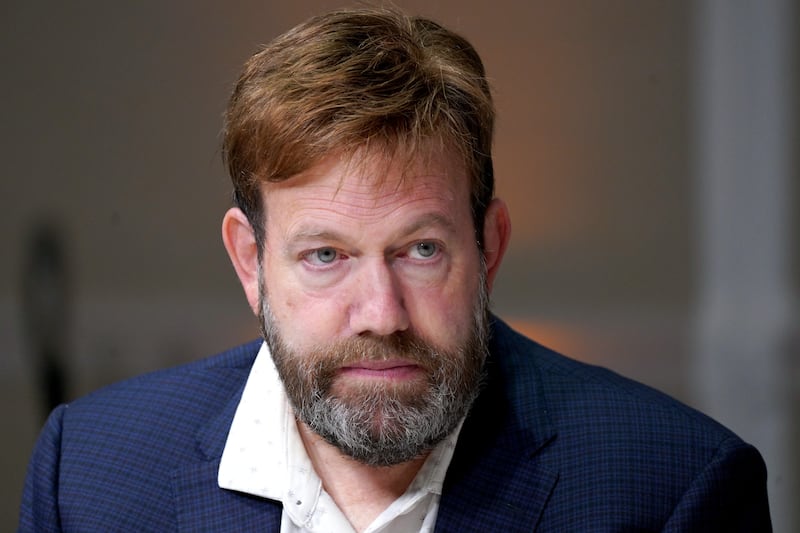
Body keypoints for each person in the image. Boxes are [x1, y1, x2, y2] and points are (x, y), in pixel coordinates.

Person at [19, 6, 771, 532]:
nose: (381, 311)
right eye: (325, 256)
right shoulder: (87, 477)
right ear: (250, 262)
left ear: (490, 247)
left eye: (420, 249)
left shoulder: (674, 488)